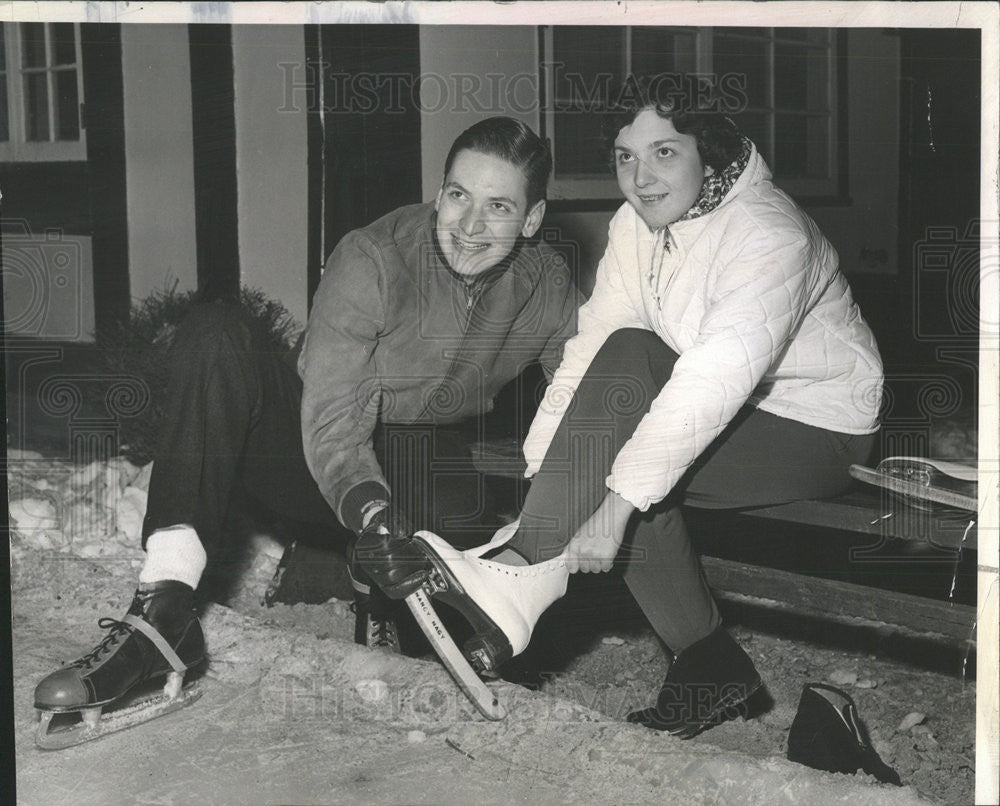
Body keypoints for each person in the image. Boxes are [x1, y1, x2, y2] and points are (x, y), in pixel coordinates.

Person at [32, 116, 581, 744]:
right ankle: (164, 609)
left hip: (428, 462)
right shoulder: (373, 258)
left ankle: (378, 577)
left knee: (457, 523)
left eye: (499, 206)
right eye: (458, 195)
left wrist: (557, 511)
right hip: (312, 449)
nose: (469, 225)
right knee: (216, 332)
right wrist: (370, 512)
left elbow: (576, 398)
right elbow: (333, 417)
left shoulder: (548, 285)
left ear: (533, 220)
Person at [362, 82, 884, 739]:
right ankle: (709, 668)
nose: (641, 177)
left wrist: (610, 508)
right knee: (622, 381)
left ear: (711, 153)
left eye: (664, 152)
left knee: (633, 449)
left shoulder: (769, 233)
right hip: (718, 403)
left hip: (819, 426)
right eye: (625, 157)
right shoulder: (636, 226)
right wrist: (545, 485)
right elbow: (590, 353)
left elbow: (711, 381)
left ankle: (519, 578)